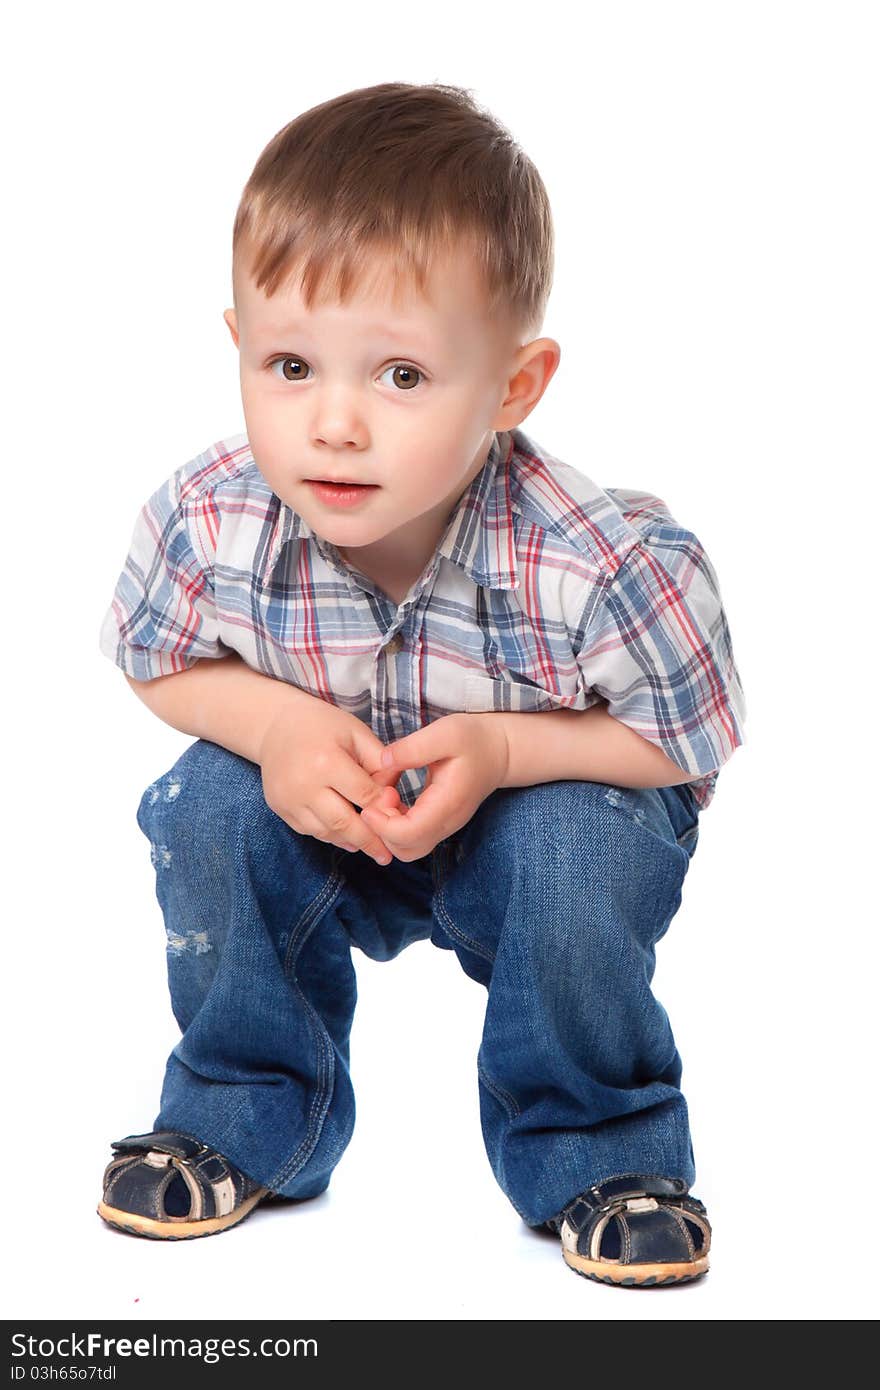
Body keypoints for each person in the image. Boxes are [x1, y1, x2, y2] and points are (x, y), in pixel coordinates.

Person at [97, 81, 746, 1287]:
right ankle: (241, 1110)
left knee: (573, 845)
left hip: (530, 818)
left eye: (400, 377)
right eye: (292, 364)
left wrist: (505, 753)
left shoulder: (589, 558)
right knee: (208, 799)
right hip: (325, 816)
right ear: (238, 347)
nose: (334, 422)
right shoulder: (210, 516)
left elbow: (687, 736)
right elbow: (156, 657)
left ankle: (599, 1147)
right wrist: (274, 723)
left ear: (512, 385)